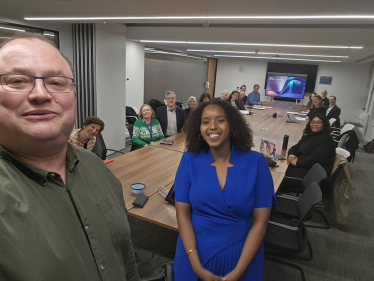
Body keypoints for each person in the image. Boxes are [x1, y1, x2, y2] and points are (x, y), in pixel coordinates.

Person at [0, 33, 140, 281]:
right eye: (18, 80)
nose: (41, 94)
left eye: (56, 82)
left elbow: (125, 251)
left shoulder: (98, 169)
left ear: (74, 96)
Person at [173, 99, 275, 280]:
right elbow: (182, 215)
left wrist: (237, 273)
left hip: (241, 253)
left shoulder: (256, 162)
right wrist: (197, 268)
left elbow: (260, 222)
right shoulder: (189, 160)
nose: (212, 126)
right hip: (193, 251)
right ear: (199, 128)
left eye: (220, 120)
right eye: (205, 122)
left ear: (232, 125)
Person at [287, 113, 336, 178]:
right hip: (303, 166)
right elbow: (295, 147)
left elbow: (316, 159)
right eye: (312, 122)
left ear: (324, 124)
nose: (315, 124)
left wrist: (297, 163)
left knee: (280, 174)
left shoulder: (326, 139)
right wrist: (291, 154)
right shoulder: (309, 136)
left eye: (318, 122)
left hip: (313, 173)